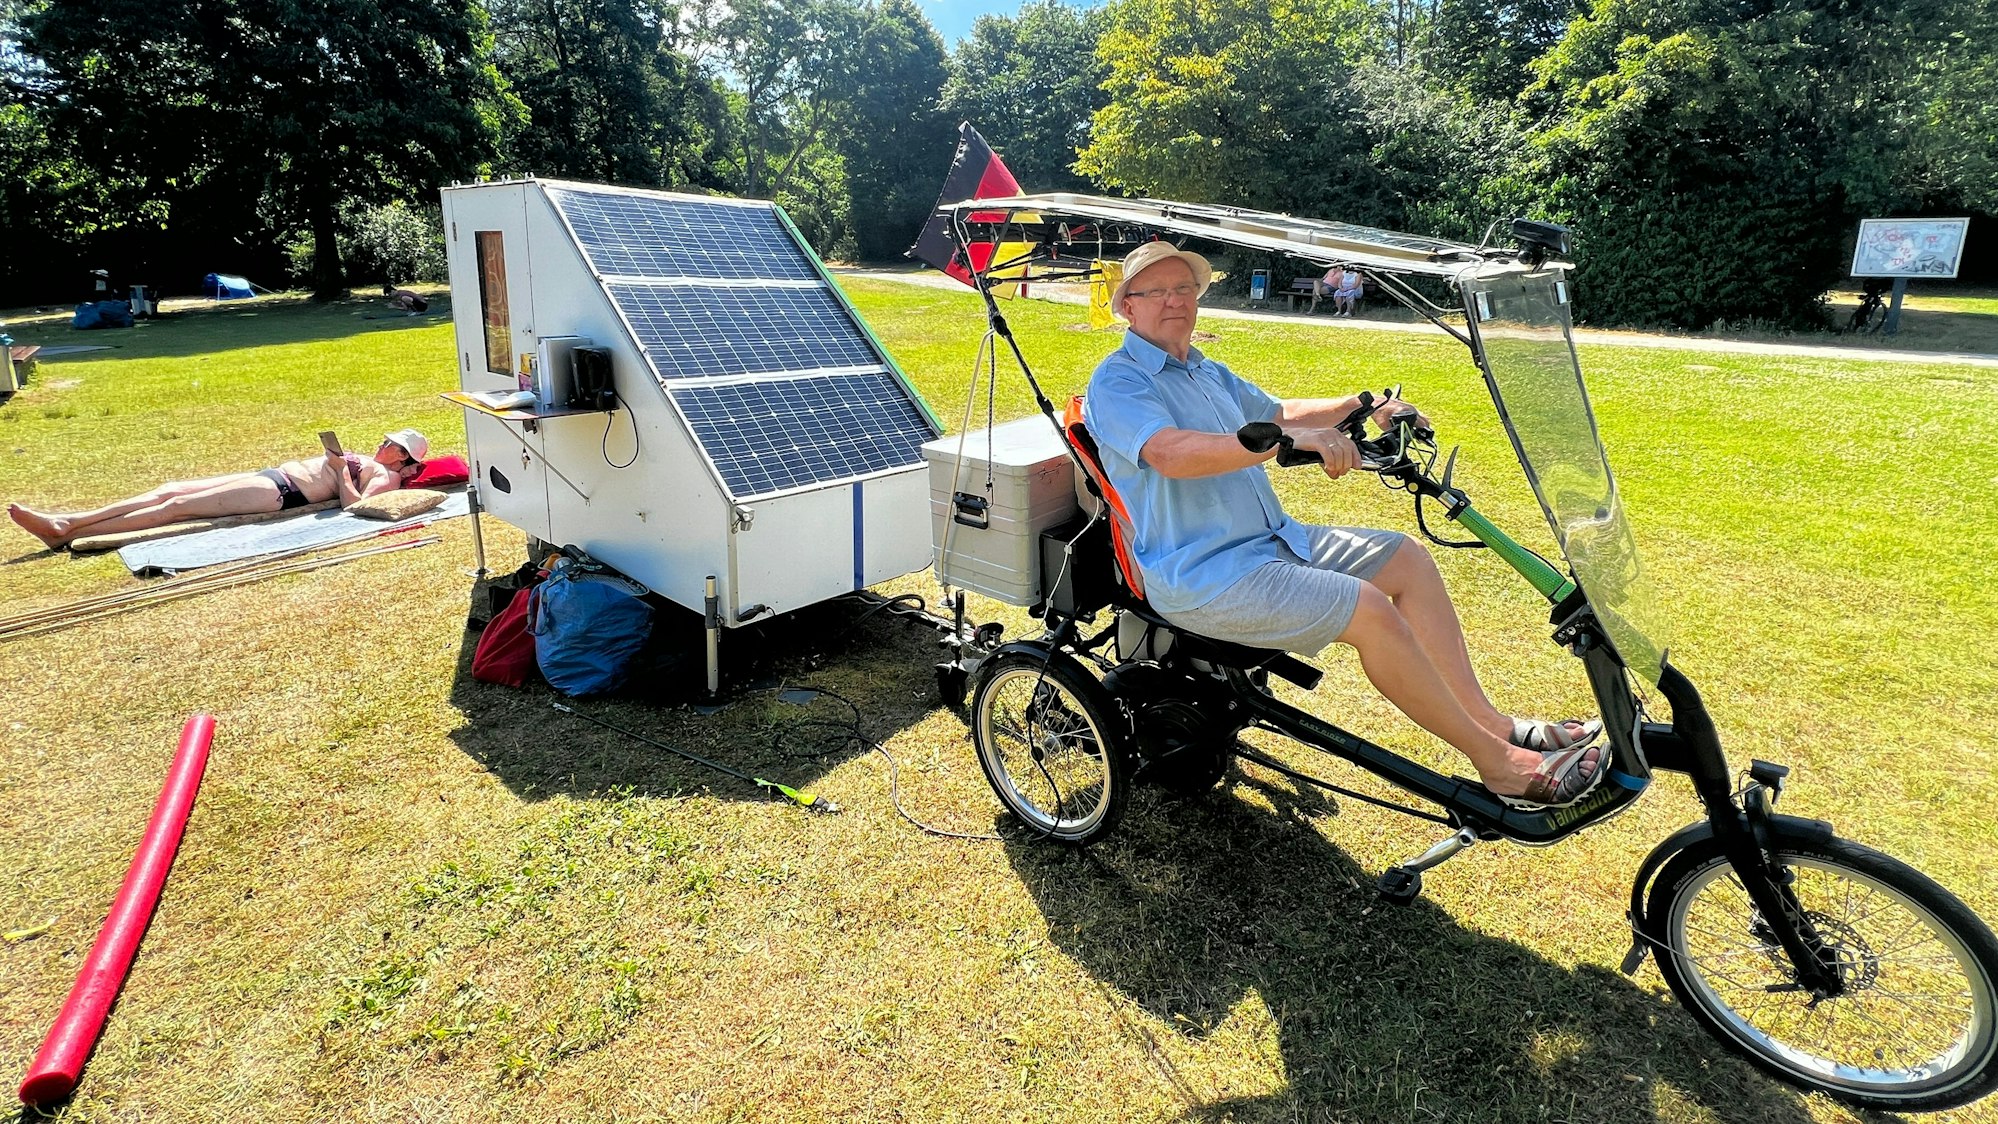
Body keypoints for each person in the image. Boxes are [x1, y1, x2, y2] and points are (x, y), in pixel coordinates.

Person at [1082, 243, 1603, 809]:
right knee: (1366, 607)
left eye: (1184, 289)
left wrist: (1368, 404)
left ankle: (1491, 722)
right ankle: (1498, 765)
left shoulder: (1205, 370)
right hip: (1205, 573)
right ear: (1127, 308)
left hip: (1273, 543)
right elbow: (1172, 453)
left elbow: (1280, 413)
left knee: (1406, 557)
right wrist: (1279, 444)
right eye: (1154, 292)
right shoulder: (1120, 380)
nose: (1173, 301)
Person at [8, 429, 430, 551]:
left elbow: (356, 509)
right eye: (388, 439)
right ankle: (71, 521)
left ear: (405, 461)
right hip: (269, 475)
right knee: (169, 488)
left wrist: (340, 472)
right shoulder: (379, 461)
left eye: (395, 447)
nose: (385, 445)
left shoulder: (386, 477)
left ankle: (69, 530)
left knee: (176, 506)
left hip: (280, 492)